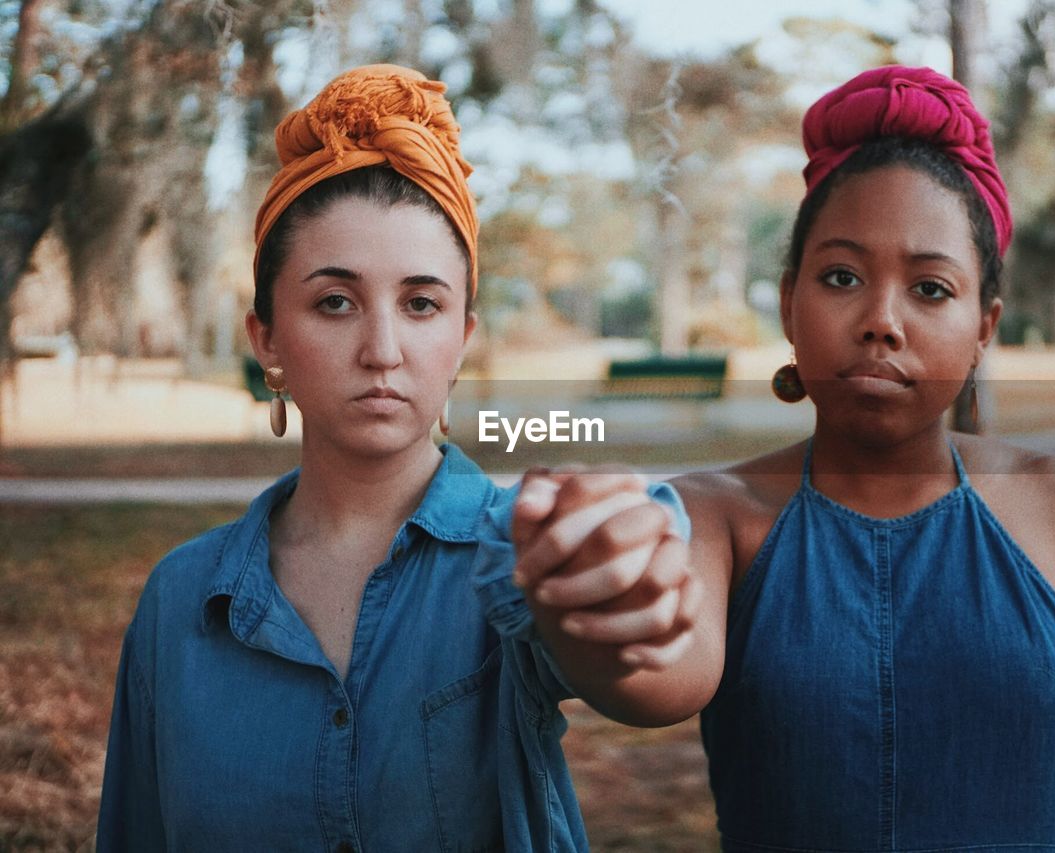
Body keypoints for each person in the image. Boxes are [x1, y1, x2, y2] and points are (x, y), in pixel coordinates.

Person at [514, 65, 1055, 851]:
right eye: (842, 276)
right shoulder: (715, 515)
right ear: (791, 303)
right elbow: (656, 680)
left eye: (930, 288)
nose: (882, 320)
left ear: (984, 325)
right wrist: (588, 607)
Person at [96, 64, 700, 852]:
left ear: (461, 340)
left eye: (421, 304)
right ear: (267, 339)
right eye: (335, 302)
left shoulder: (520, 550)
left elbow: (650, 675)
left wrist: (624, 586)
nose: (383, 350)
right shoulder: (180, 601)